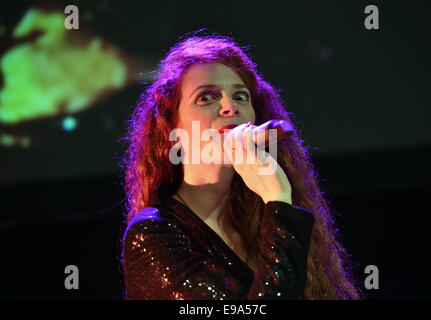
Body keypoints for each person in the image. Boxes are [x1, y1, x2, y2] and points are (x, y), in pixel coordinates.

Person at [119, 31, 363, 300]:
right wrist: (278, 199)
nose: (229, 107)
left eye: (240, 96)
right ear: (171, 126)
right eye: (206, 97)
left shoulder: (258, 220)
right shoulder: (154, 233)